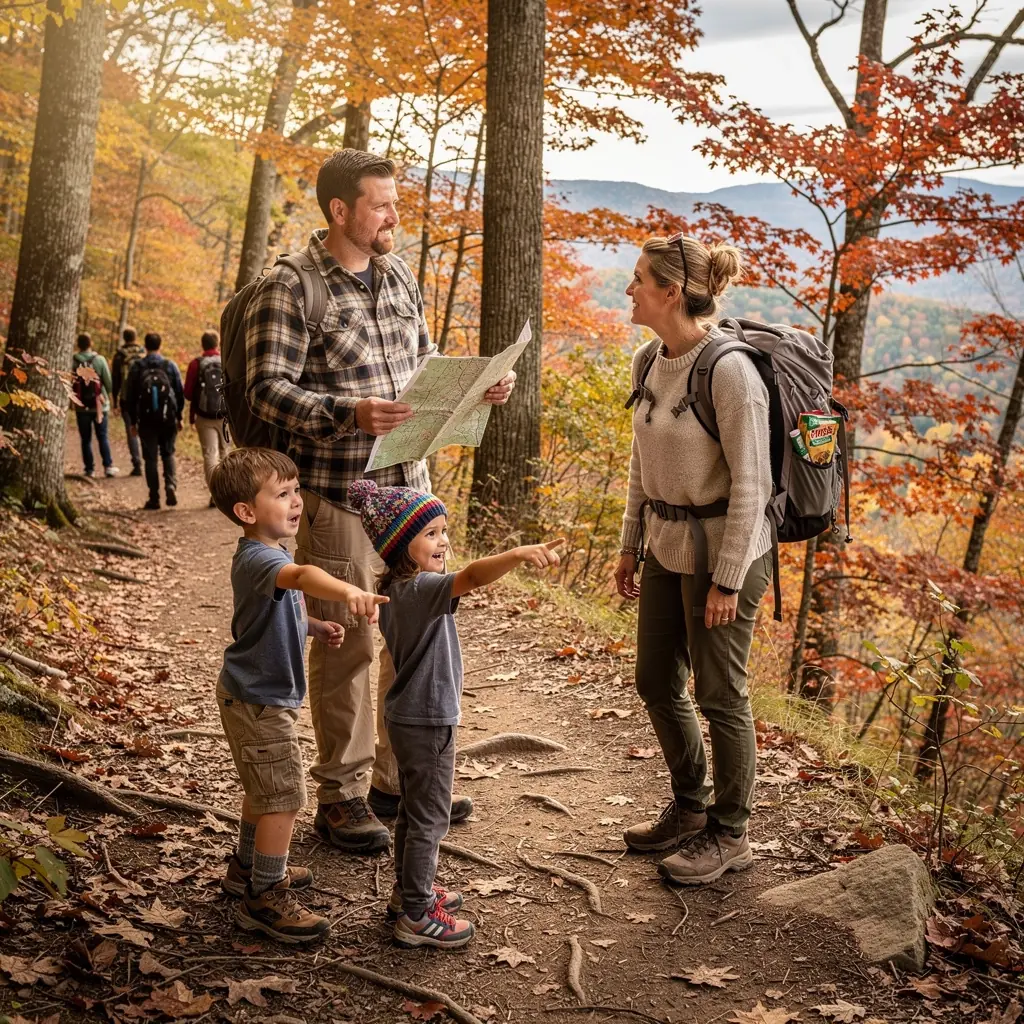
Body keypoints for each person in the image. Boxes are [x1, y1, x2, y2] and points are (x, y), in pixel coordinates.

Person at [245, 149, 516, 853]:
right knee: (352, 641)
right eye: (382, 204)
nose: (396, 215)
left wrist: (474, 388)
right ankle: (342, 793)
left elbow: (421, 363)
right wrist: (349, 413)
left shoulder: (398, 273)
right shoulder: (292, 288)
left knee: (417, 633)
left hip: (409, 489)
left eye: (396, 202)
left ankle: (399, 778)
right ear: (340, 211)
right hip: (338, 493)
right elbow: (264, 389)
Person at [614, 234, 772, 885]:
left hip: (725, 552)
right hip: (666, 545)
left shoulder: (730, 373)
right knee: (655, 678)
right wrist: (629, 543)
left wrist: (729, 580)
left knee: (719, 691)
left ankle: (730, 832)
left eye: (638, 279)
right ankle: (689, 805)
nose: (629, 289)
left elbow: (753, 487)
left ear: (671, 292)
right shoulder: (649, 360)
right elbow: (640, 462)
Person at [348, 478, 561, 948]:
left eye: (444, 530)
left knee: (413, 811)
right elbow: (473, 577)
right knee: (430, 817)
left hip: (407, 718)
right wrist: (518, 553)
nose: (443, 541)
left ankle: (409, 894)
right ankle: (419, 915)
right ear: (403, 545)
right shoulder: (421, 588)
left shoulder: (397, 589)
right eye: (431, 533)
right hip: (427, 720)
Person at [209, 448, 387, 943]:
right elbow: (305, 578)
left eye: (296, 491)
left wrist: (313, 625)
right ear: (247, 512)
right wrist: (349, 590)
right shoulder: (262, 558)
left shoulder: (271, 556)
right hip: (260, 701)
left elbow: (275, 612)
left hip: (256, 696)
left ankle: (247, 868)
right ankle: (266, 895)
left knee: (263, 792)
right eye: (282, 494)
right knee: (284, 796)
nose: (295, 502)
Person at [124, 332, 184, 511]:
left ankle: (154, 498)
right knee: (168, 453)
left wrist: (133, 422)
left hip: (146, 421)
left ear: (145, 345)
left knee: (150, 458)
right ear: (160, 345)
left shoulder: (137, 367)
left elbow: (131, 397)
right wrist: (179, 416)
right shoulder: (170, 365)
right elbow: (179, 394)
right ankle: (171, 485)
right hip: (168, 420)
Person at [184, 330, 231, 507]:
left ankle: (216, 495)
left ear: (202, 344)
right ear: (217, 344)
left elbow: (188, 394)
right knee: (226, 453)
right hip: (226, 416)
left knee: (211, 455)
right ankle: (228, 493)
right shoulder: (226, 361)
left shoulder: (196, 364)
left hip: (204, 416)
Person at [71, 333, 119, 479]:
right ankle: (108, 466)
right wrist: (105, 395)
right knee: (102, 436)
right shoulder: (100, 360)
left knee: (85, 439)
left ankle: (89, 469)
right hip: (100, 406)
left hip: (81, 407)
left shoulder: (73, 361)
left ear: (78, 344)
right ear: (91, 343)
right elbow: (109, 383)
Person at [111, 326, 145, 476]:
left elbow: (116, 381)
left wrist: (115, 401)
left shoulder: (119, 356)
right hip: (145, 398)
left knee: (131, 431)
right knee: (144, 430)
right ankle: (149, 460)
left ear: (124, 338)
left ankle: (137, 463)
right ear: (135, 337)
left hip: (127, 400)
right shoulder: (143, 353)